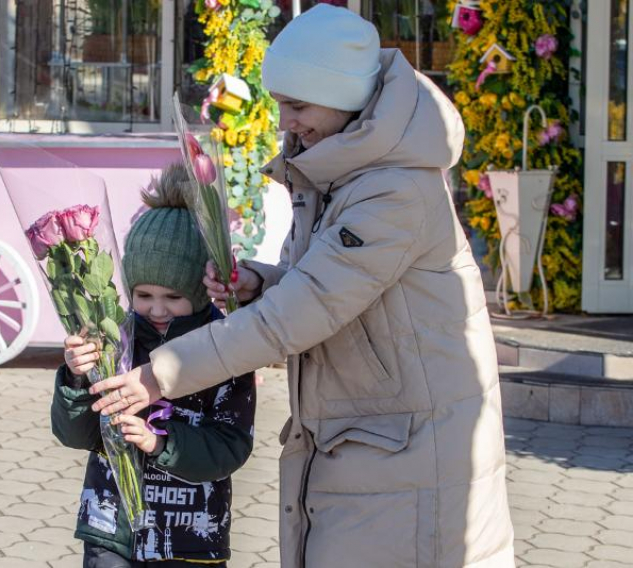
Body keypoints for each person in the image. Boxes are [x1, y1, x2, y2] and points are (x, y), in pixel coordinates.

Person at [87, 5, 515, 568]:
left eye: (298, 104)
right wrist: (262, 281)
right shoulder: (334, 170)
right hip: (369, 441)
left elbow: (299, 315)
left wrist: (157, 375)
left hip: (409, 454)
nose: (284, 120)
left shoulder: (393, 192)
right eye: (280, 103)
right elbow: (328, 289)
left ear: (343, 96)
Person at [51, 162, 256, 568]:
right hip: (111, 526)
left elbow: (231, 445)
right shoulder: (113, 337)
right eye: (143, 294)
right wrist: (76, 375)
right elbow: (76, 434)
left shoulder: (225, 348)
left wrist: (161, 443)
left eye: (173, 296)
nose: (156, 309)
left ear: (199, 290)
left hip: (189, 538)